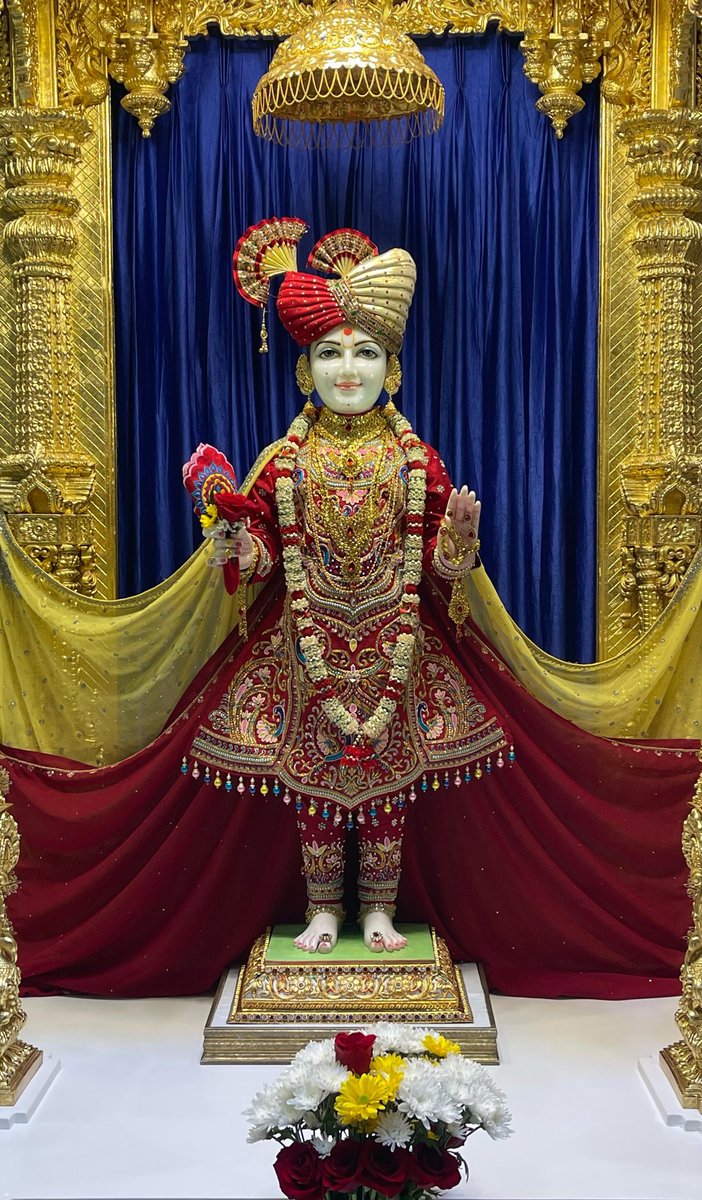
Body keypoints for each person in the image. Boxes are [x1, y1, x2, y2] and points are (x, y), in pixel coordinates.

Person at [185, 218, 512, 954]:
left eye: (365, 353)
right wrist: (240, 543)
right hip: (308, 647)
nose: (347, 370)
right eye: (329, 353)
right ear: (306, 369)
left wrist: (458, 540)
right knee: (315, 780)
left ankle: (379, 911)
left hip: (397, 644)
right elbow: (266, 541)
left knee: (389, 779)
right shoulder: (286, 460)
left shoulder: (415, 457)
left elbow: (438, 563)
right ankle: (325, 907)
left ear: (391, 367)